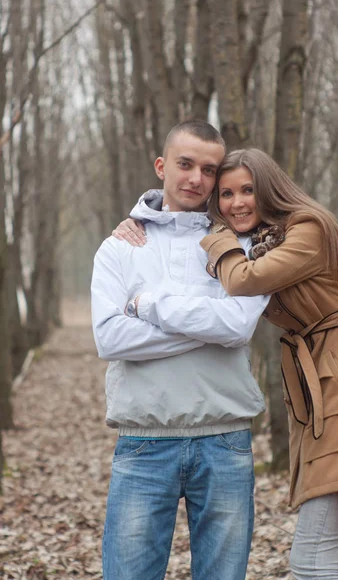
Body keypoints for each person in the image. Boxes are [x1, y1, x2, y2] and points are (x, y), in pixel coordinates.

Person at [116, 147, 338, 579]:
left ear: (270, 189)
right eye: (225, 195)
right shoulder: (267, 241)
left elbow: (243, 280)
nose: (236, 202)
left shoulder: (308, 228)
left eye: (248, 190)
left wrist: (218, 236)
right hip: (321, 387)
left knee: (310, 563)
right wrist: (143, 217)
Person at [91, 121, 271, 580]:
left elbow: (239, 326)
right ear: (161, 166)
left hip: (225, 438)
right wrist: (213, 322)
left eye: (209, 170)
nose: (196, 179)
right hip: (143, 441)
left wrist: (148, 308)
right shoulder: (119, 248)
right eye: (185, 164)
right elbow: (110, 338)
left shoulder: (243, 245)